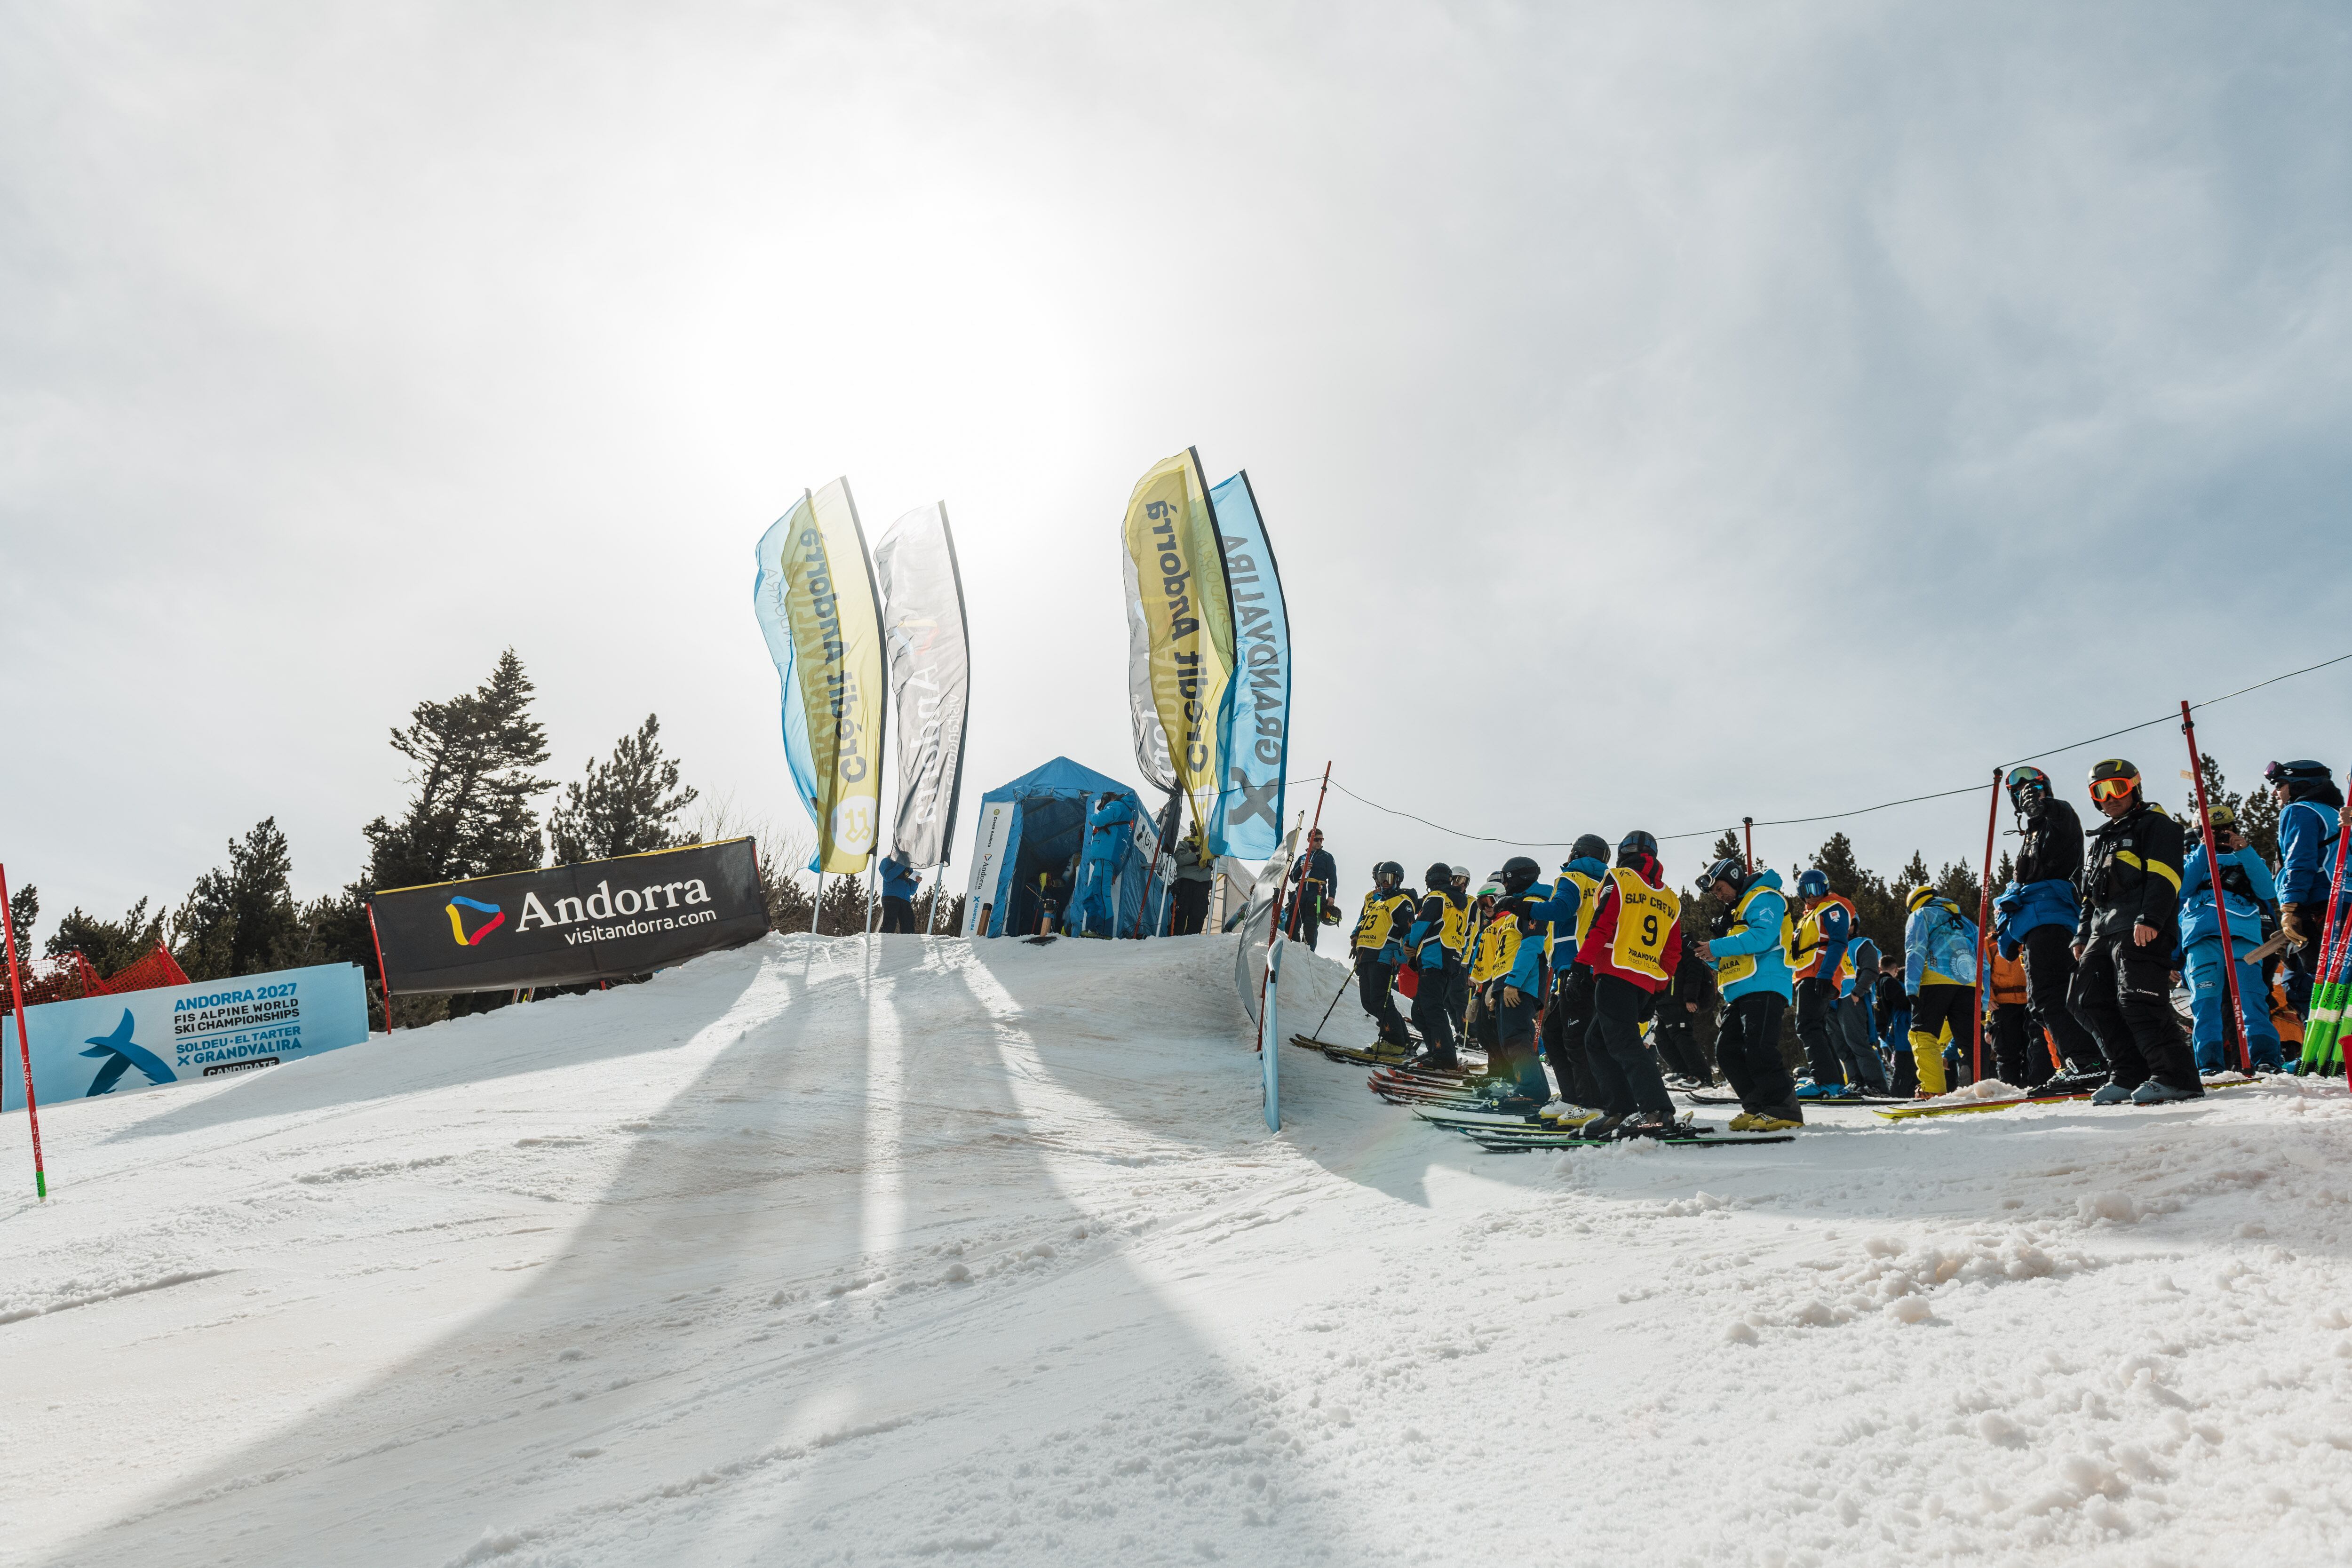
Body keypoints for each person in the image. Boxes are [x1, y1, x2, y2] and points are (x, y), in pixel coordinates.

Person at [2071, 759, 2199, 1105]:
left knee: (2138, 999)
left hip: (2140, 924)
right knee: (2085, 999)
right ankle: (2129, 1074)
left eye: (2118, 788)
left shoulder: (2156, 825)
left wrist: (2152, 918)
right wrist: (2082, 935)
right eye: (2101, 791)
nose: (2110, 797)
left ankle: (2175, 1076)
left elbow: (2167, 876)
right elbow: (2089, 895)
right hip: (2103, 930)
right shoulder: (2101, 839)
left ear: (2135, 787)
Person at [1990, 765, 2108, 1091]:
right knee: (2048, 1002)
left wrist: (2045, 805)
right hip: (2037, 924)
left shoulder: (2059, 820)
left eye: (2034, 789)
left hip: (2052, 920)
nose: (2026, 795)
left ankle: (2085, 1061)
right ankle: (2092, 1059)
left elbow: (2064, 818)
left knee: (2049, 994)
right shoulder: (2030, 835)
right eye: (2020, 793)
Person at [1565, 831, 1685, 1137]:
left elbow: (1602, 925)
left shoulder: (1618, 879)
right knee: (1598, 1041)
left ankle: (1657, 1110)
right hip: (1644, 980)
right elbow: (1673, 952)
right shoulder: (1670, 897)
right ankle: (1621, 1109)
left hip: (1616, 973)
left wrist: (1580, 966)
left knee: (1623, 1043)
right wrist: (1658, 988)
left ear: (1623, 853)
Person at [1693, 856, 1803, 1130]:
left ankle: (1783, 1109)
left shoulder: (1765, 897)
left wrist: (1716, 946)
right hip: (1740, 989)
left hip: (1765, 982)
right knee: (1727, 1051)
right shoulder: (1736, 910)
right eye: (1716, 893)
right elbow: (1728, 959)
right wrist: (1705, 954)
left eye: (1720, 889)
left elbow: (1763, 938)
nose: (1719, 896)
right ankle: (1757, 1107)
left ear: (1732, 876)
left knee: (1759, 1048)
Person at [2176, 804, 2282, 1074]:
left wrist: (2244, 850)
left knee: (2252, 996)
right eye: (2212, 831)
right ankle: (2209, 1064)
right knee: (2205, 999)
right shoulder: (2192, 858)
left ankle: (2266, 1058)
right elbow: (2183, 890)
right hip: (2202, 936)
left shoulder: (2245, 858)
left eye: (2225, 830)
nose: (2220, 836)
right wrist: (2204, 849)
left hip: (2242, 935)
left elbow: (2267, 889)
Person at [1526, 835, 1612, 1111]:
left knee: (1575, 1038)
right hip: (1593, 964)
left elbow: (1562, 909)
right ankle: (1572, 1097)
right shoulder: (1608, 882)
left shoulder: (1572, 877)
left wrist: (1526, 908)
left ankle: (1588, 1103)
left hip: (1574, 964)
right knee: (1554, 1033)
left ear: (1577, 853)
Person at [1487, 857, 1554, 1106]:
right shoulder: (1517, 908)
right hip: (1509, 981)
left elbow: (1532, 945)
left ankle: (1530, 1091)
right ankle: (1535, 1090)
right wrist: (1497, 989)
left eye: (1506, 879)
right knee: (1511, 1041)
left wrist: (1514, 982)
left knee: (1517, 1038)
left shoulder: (1533, 905)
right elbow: (1506, 952)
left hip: (1523, 980)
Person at [1901, 884, 1979, 1097]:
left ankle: (1932, 1090)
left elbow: (1916, 948)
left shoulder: (1921, 915)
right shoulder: (1967, 923)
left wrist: (1911, 986)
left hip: (1934, 979)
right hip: (1969, 983)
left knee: (1923, 1034)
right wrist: (1985, 992)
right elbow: (1984, 961)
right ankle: (1978, 1088)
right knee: (1970, 1038)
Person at [1790, 868, 1859, 1099]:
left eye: (1816, 889)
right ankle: (1833, 1081)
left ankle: (1824, 1080)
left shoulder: (1833, 907)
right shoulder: (1809, 914)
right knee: (1815, 1026)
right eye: (1805, 891)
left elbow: (1839, 942)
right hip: (1807, 974)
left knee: (1807, 1026)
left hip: (1819, 974)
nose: (1811, 895)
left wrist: (1826, 975)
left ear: (1825, 887)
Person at [2268, 760, 2345, 961]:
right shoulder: (2337, 814)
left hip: (2323, 901)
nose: (2274, 794)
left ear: (2300, 785)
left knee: (2326, 971)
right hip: (2345, 898)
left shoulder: (2300, 810)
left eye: (2279, 785)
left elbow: (2300, 860)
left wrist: (2291, 907)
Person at [1404, 861, 1471, 1069]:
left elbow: (1421, 924)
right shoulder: (1460, 903)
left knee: (1432, 1008)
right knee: (1421, 1011)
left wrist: (1410, 946)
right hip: (1452, 960)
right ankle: (1437, 1049)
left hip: (1435, 957)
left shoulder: (1437, 897)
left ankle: (1445, 1055)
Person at [1351, 861, 1418, 1051]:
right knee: (1369, 1003)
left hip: (1384, 956)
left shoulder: (1402, 902)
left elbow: (1410, 934)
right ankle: (1403, 1040)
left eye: (1389, 879)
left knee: (1380, 1001)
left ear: (1398, 880)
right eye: (1382, 879)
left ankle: (1394, 1042)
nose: (1385, 883)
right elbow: (1366, 923)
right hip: (1366, 956)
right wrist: (1356, 940)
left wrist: (1401, 956)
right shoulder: (1378, 902)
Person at [1655, 943, 1719, 1087]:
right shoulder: (1662, 942)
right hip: (1662, 1000)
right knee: (1662, 1039)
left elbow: (1694, 972)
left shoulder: (1686, 945)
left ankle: (1702, 1077)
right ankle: (1682, 1072)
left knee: (1682, 1037)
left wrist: (1690, 998)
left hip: (1679, 1000)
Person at [1831, 937, 1890, 1093]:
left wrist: (1858, 991)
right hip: (1832, 1000)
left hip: (1850, 997)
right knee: (1842, 1047)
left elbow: (1871, 969)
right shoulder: (1829, 944)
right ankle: (1856, 1082)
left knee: (1857, 1042)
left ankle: (1876, 1085)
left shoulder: (1859, 944)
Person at [1072, 791, 1134, 937]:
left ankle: (1103, 931)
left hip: (1105, 857)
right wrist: (1116, 872)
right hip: (1106, 859)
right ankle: (1093, 929)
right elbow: (1128, 849)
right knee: (1091, 896)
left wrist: (1092, 818)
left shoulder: (1116, 805)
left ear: (1107, 799)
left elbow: (1099, 820)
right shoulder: (1126, 815)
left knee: (1101, 893)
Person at [1986, 943, 2037, 1086]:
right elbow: (1982, 970)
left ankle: (2033, 1086)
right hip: (2003, 1004)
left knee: (2033, 1050)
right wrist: (1988, 996)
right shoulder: (1991, 944)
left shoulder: (2028, 938)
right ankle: (2009, 1088)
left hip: (2032, 1001)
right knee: (2007, 1052)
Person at [1286, 828, 1338, 950]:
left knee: (1311, 926)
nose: (1320, 842)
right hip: (1301, 892)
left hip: (1317, 893)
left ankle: (1309, 953)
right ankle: (1294, 949)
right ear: (1309, 840)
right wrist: (1301, 868)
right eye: (1317, 840)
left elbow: (1333, 878)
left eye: (1322, 839)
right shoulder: (1302, 858)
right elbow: (1293, 878)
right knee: (1292, 923)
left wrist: (1332, 896)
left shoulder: (1327, 857)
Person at [1875, 954, 1912, 1091]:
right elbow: (1903, 1002)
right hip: (1896, 1030)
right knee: (1904, 1067)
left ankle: (1904, 1094)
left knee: (1902, 1066)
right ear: (1895, 969)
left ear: (1880, 968)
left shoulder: (1874, 984)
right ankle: (1898, 1095)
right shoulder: (1889, 982)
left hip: (1883, 1029)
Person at [1169, 825, 1214, 936]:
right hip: (1185, 884)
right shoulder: (1184, 844)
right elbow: (1180, 859)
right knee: (1180, 915)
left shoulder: (1209, 847)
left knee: (1198, 916)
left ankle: (1192, 943)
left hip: (1202, 885)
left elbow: (1217, 856)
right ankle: (1173, 942)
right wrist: (1199, 856)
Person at [877, 853, 920, 933]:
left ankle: (908, 945)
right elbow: (888, 877)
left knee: (909, 925)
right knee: (890, 924)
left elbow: (912, 891)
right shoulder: (887, 861)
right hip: (891, 896)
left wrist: (916, 882)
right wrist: (902, 865)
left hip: (906, 899)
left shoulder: (909, 869)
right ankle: (886, 944)